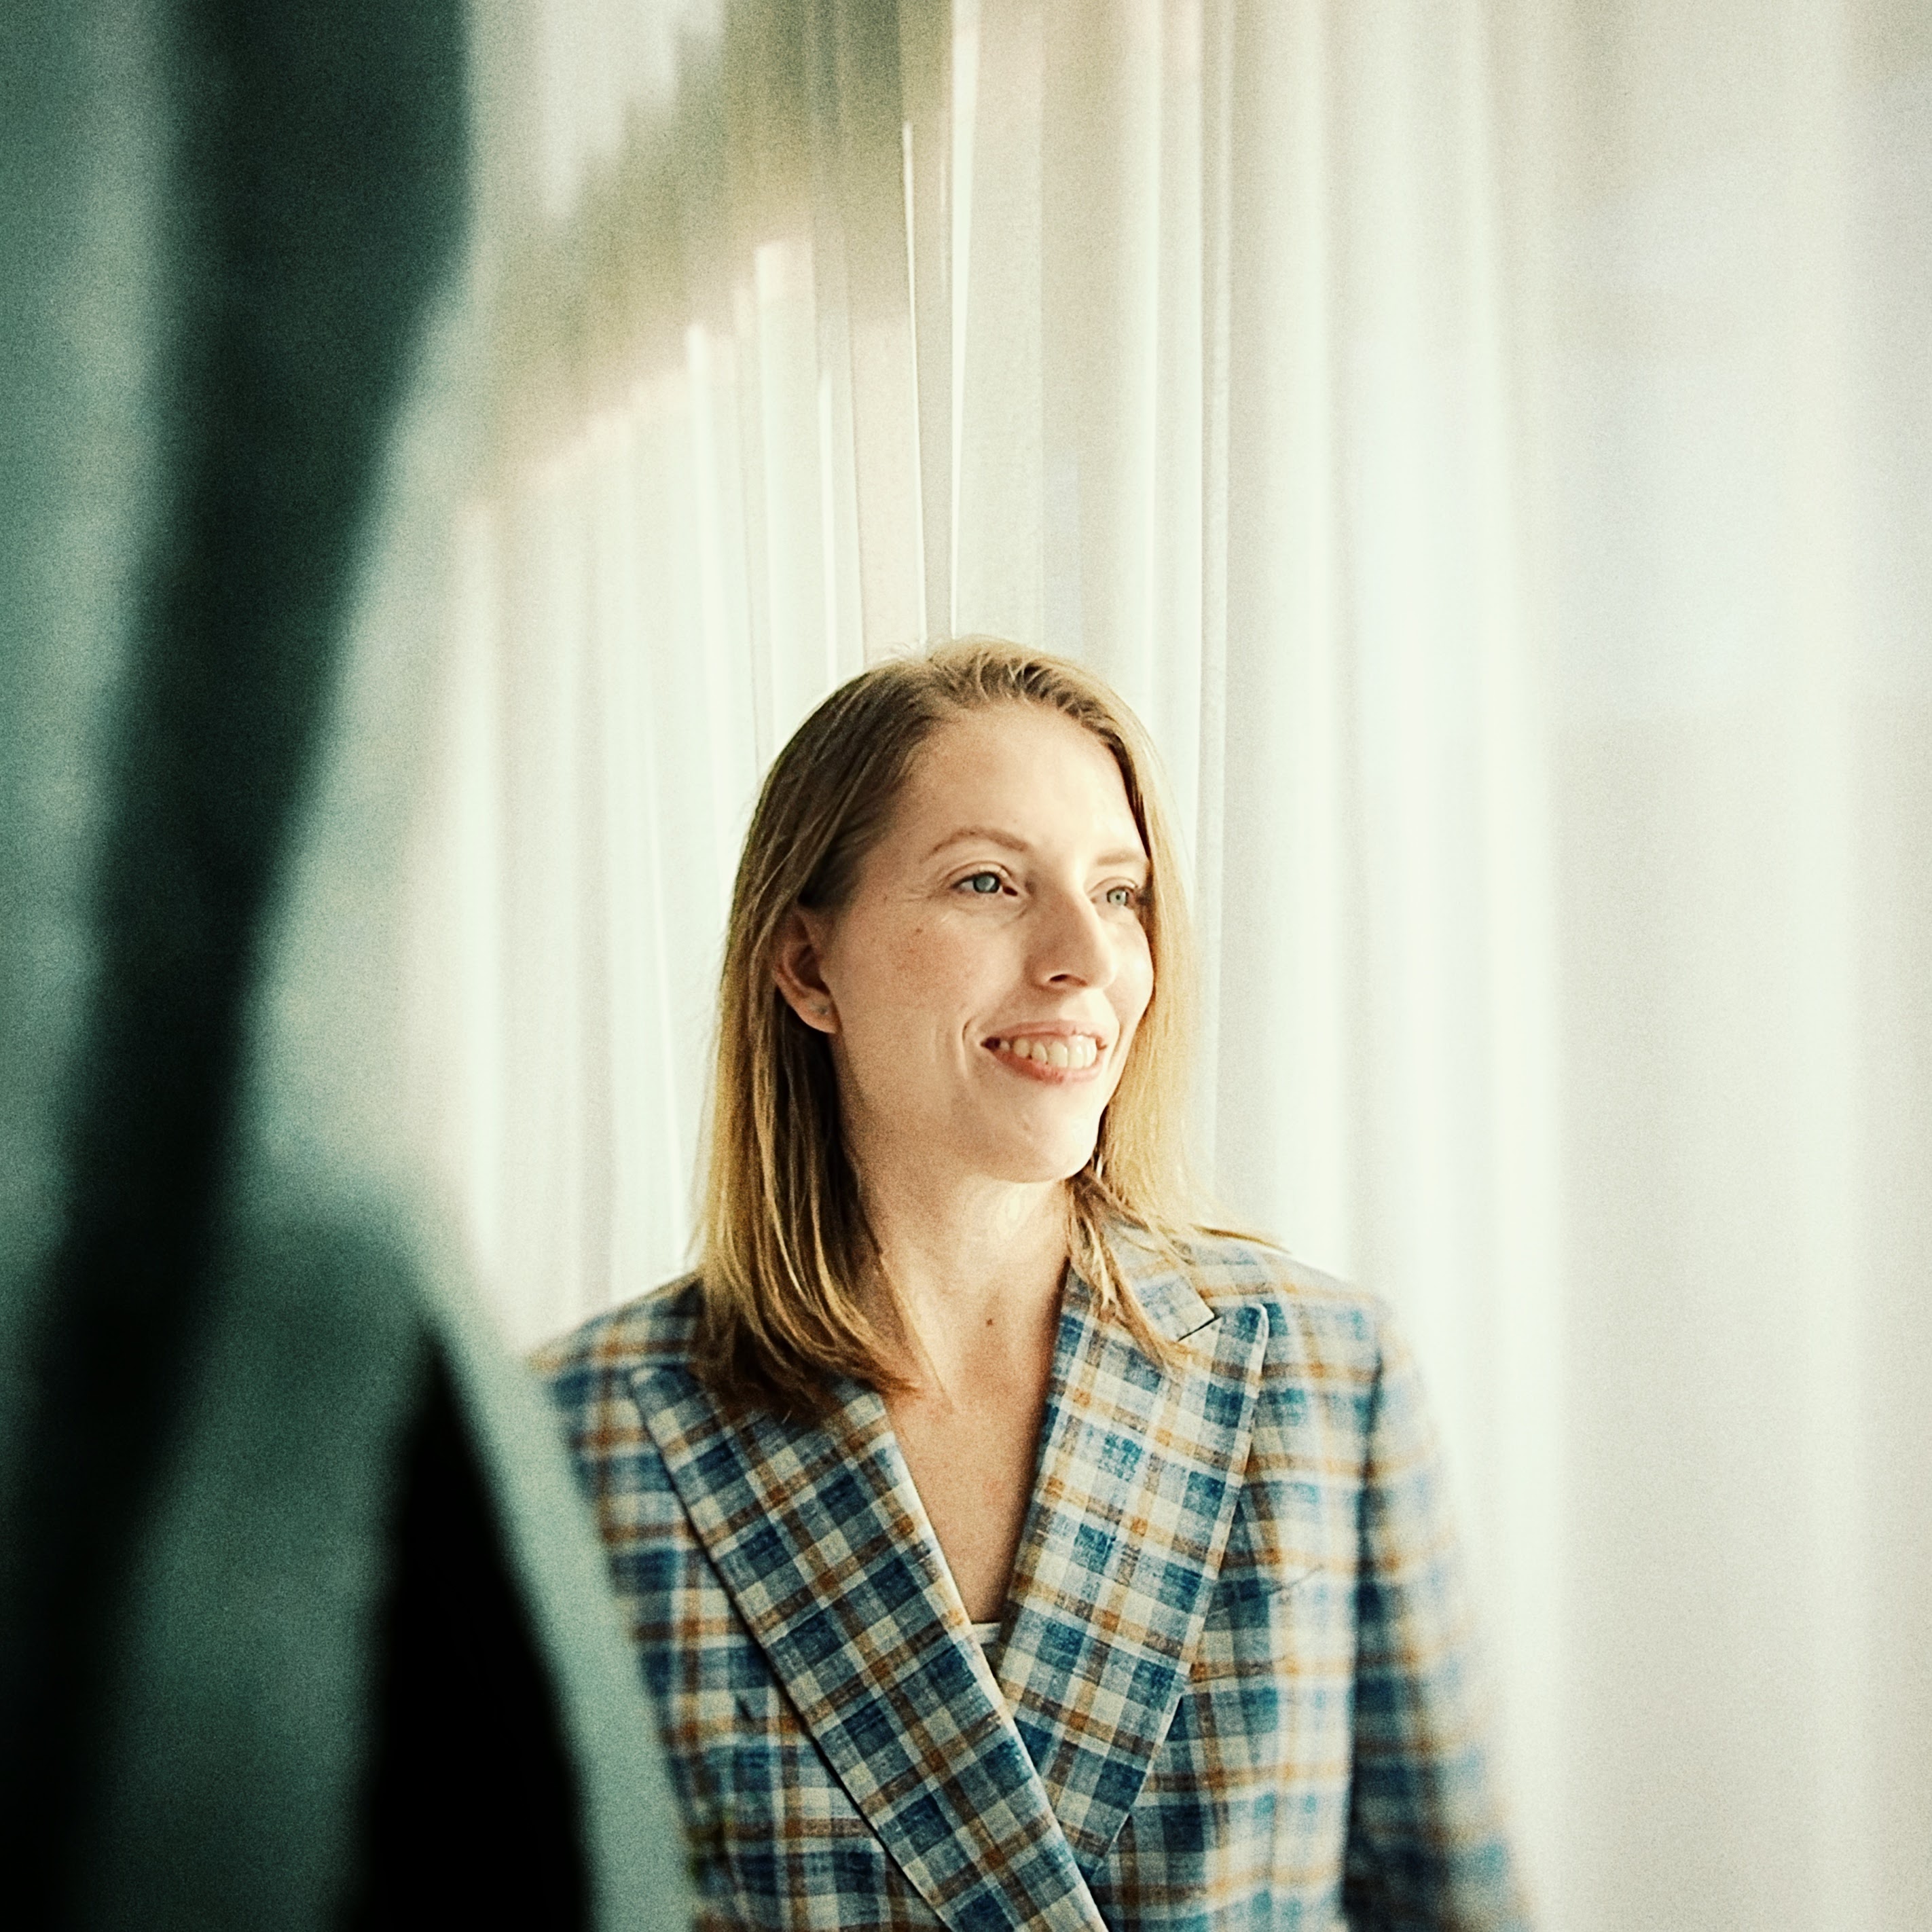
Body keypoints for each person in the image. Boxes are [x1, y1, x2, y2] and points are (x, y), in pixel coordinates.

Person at [538, 640, 1530, 1930]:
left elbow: (1455, 1903)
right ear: (807, 966)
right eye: (989, 881)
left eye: (1119, 893)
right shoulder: (579, 1439)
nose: (1085, 956)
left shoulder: (1324, 1373)